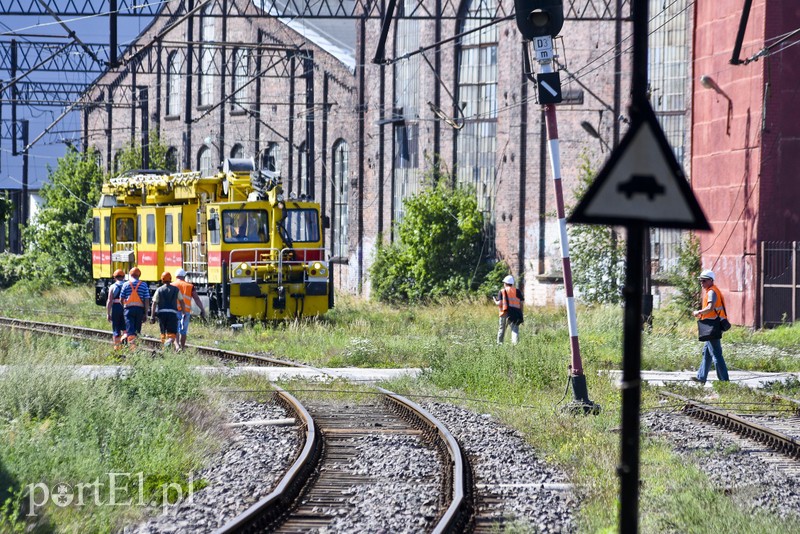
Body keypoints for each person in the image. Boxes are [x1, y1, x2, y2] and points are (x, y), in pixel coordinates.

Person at [692, 269, 730, 384]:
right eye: (700, 281)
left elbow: (710, 308)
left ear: (710, 280)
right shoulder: (712, 290)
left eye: (703, 281)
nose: (701, 283)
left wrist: (698, 312)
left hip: (712, 326)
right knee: (707, 353)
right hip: (712, 325)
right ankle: (701, 378)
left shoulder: (712, 292)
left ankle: (724, 381)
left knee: (717, 355)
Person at [173, 268, 207, 350]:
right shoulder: (190, 286)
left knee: (175, 329)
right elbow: (196, 299)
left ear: (176, 276)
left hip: (175, 311)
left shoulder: (172, 285)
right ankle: (183, 347)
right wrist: (202, 309)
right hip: (186, 312)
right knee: (183, 331)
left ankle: (177, 347)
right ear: (184, 276)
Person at [149, 271, 184, 351]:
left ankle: (164, 347)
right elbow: (181, 301)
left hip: (162, 313)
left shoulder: (159, 290)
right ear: (171, 279)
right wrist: (184, 312)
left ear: (162, 279)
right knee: (172, 333)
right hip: (172, 313)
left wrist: (152, 316)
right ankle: (171, 344)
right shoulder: (176, 289)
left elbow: (154, 303)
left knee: (163, 332)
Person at [120, 266, 150, 349]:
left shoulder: (125, 284)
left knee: (130, 330)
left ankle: (132, 349)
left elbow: (121, 298)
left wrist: (124, 308)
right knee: (137, 330)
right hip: (139, 310)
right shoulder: (144, 285)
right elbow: (147, 299)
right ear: (139, 275)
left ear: (130, 275)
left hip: (128, 310)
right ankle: (135, 347)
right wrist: (146, 313)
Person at [494, 275, 523, 345]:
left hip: (504, 313)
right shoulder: (517, 291)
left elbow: (500, 303)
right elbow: (521, 303)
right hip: (515, 313)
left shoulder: (502, 291)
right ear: (512, 283)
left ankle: (499, 344)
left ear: (505, 283)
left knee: (502, 329)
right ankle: (515, 345)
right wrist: (521, 313)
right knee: (515, 330)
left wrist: (495, 301)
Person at [105, 269, 127, 350]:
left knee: (116, 328)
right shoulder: (127, 285)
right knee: (125, 328)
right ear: (124, 277)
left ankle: (117, 348)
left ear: (114, 277)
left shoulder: (112, 286)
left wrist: (108, 313)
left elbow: (109, 301)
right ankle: (125, 343)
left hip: (116, 308)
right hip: (125, 307)